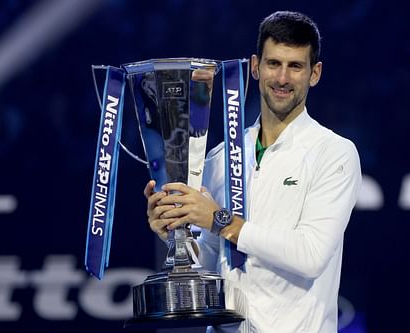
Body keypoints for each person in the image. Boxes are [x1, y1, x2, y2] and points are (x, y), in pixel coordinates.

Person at [144, 11, 362, 333]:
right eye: (274, 64)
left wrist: (219, 220)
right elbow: (213, 260)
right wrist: (175, 235)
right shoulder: (222, 157)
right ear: (255, 67)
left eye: (296, 66)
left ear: (315, 73)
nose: (283, 78)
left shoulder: (334, 153)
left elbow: (310, 254)